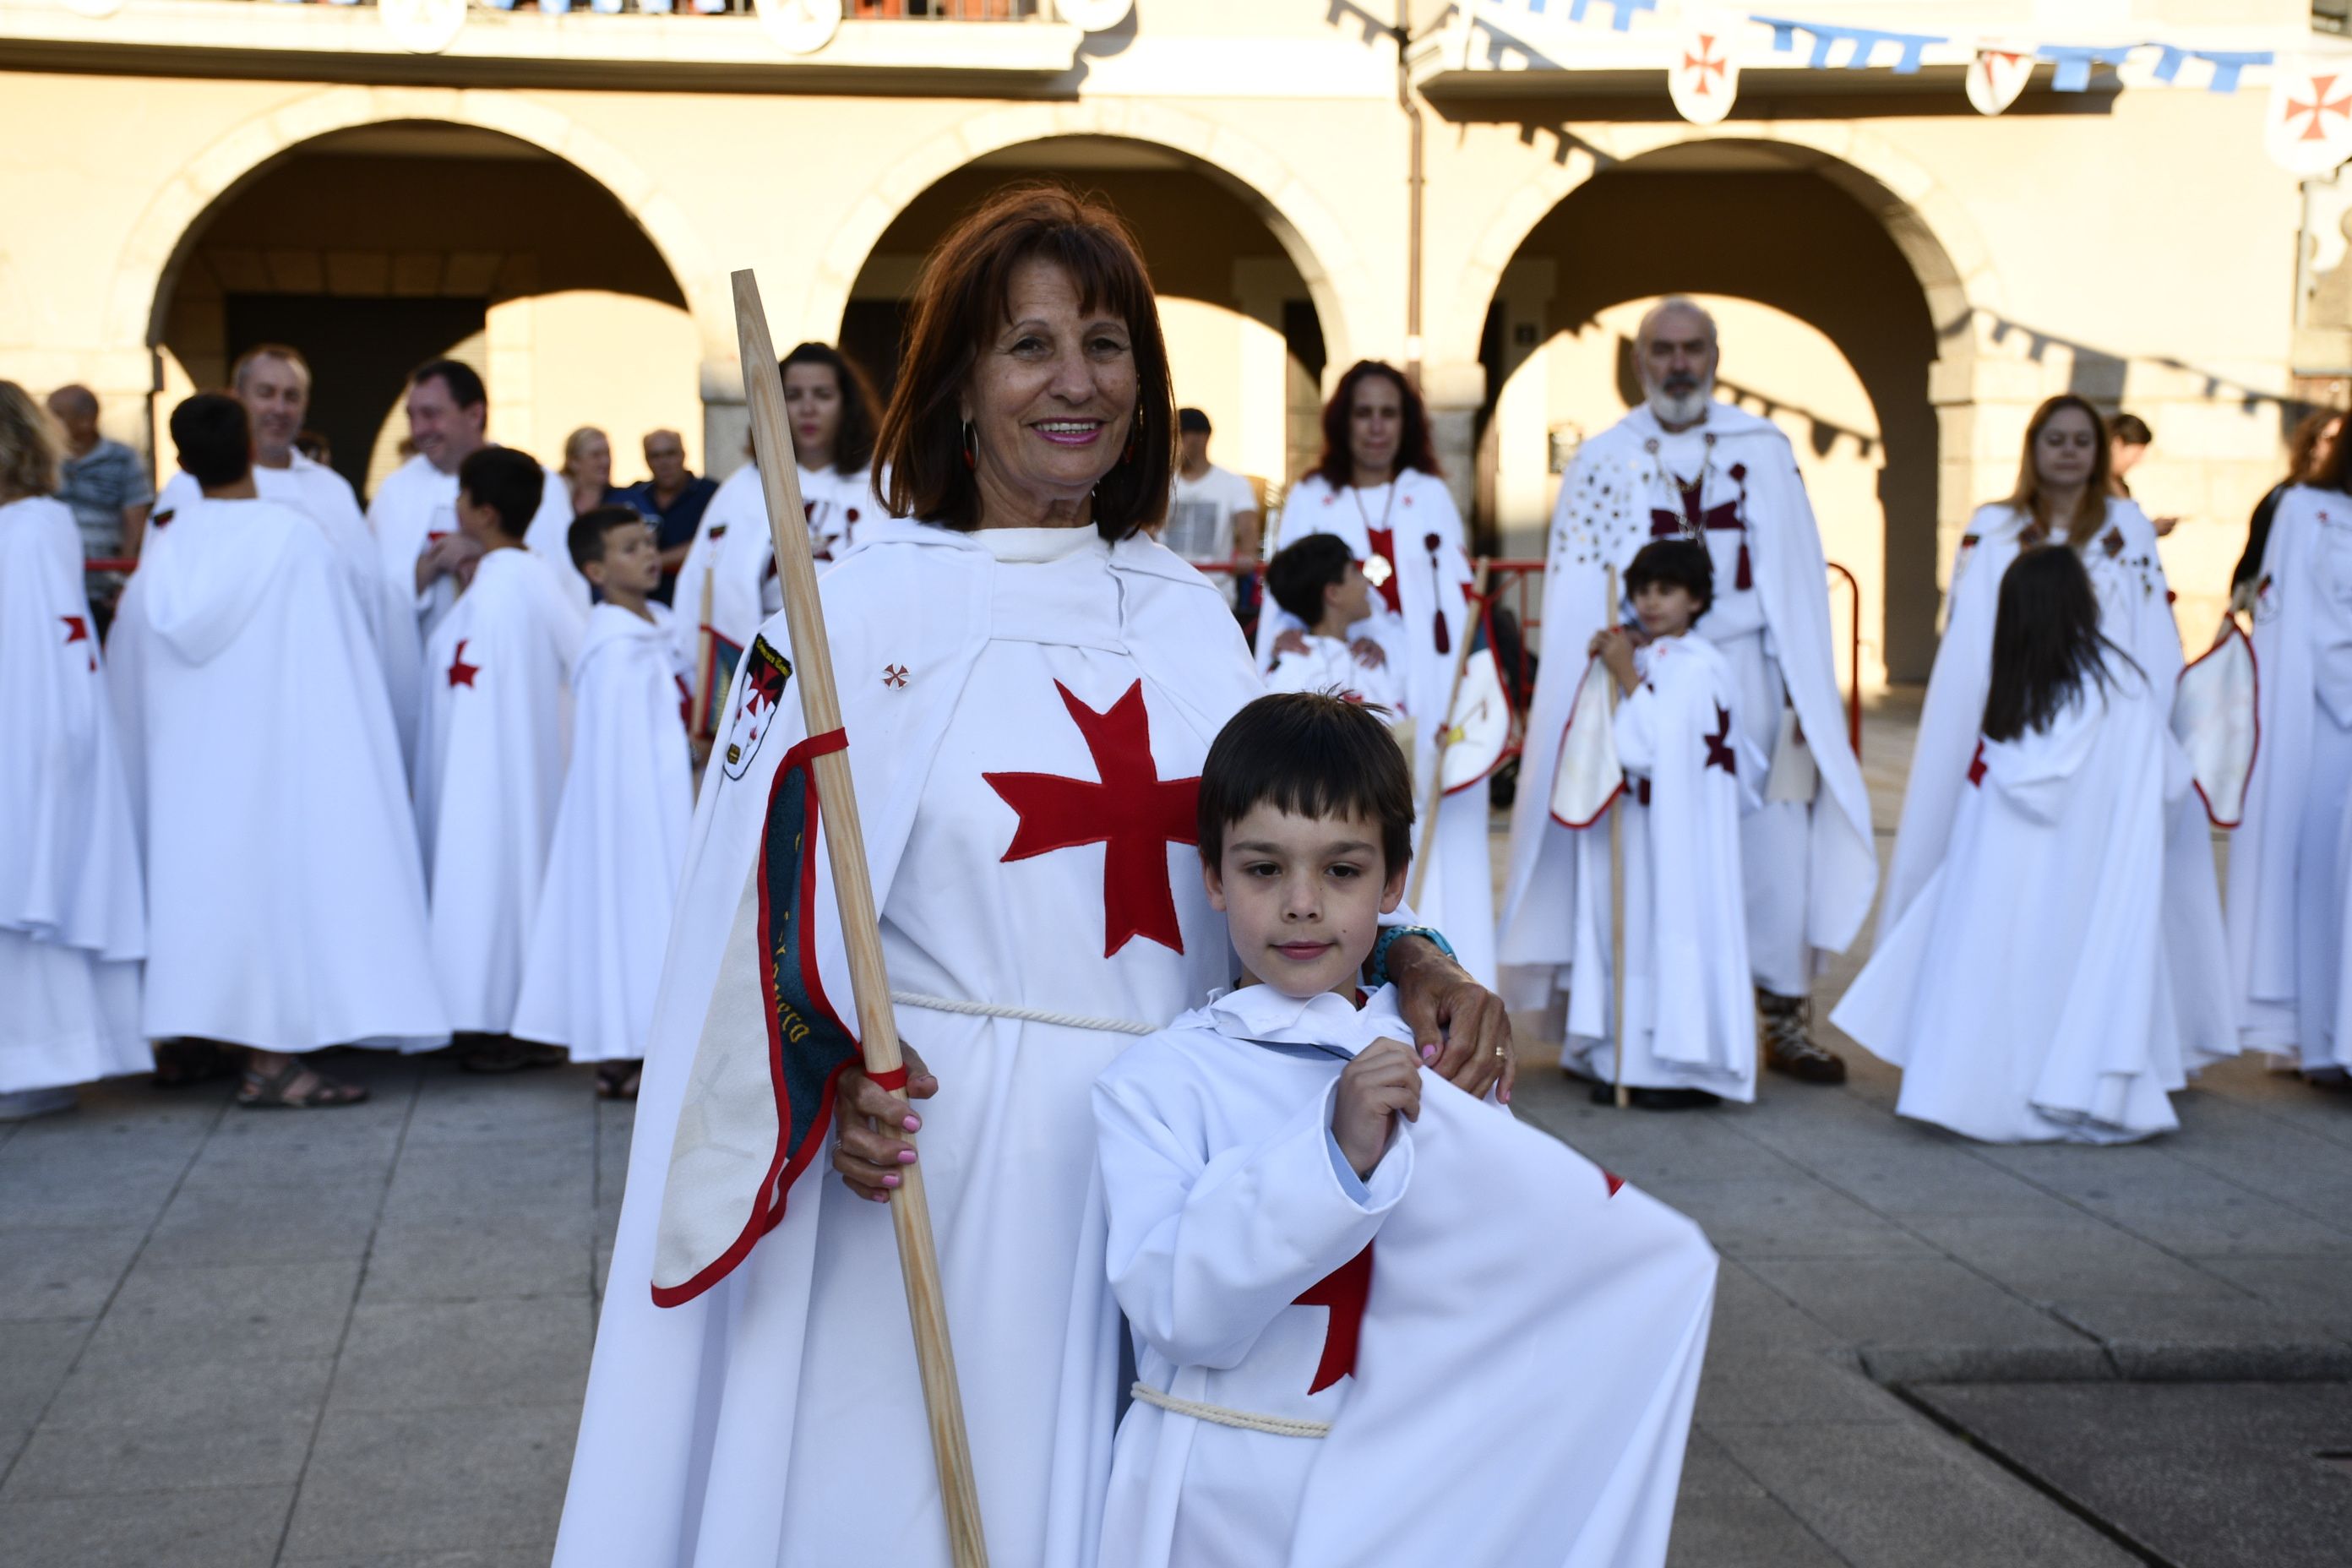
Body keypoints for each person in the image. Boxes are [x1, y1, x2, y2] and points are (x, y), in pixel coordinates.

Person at [553, 183, 1511, 1568]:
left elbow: (1277, 859)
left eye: (1107, 344)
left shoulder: (1195, 624)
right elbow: (739, 937)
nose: (1076, 382)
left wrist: (1405, 954)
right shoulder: (848, 615)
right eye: (1029, 345)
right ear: (954, 384)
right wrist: (826, 1081)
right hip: (941, 1184)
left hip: (1178, 1167)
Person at [1094, 691, 1715, 1568]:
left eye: (1342, 871)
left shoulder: (1442, 1060)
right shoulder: (1157, 1080)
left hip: (1414, 1496)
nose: (1302, 904)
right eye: (1263, 869)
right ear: (1211, 875)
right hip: (1218, 1495)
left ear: (1393, 885)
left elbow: (1498, 1278)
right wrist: (1333, 1155)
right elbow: (1177, 1310)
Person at [1499, 297, 1876, 1084]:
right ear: (1640, 364)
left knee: (1773, 854)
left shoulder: (1764, 449)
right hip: (1645, 678)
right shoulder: (1604, 457)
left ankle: (1781, 1018)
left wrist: (1803, 688)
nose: (1678, 364)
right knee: (1642, 848)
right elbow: (1580, 587)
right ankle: (1621, 1015)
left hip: (1750, 679)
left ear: (1715, 355)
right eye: (1662, 351)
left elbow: (1800, 580)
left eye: (1692, 349)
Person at [125, 394, 446, 1107]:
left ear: (180, 463)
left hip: (191, 768)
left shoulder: (167, 548)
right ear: (251, 452)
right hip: (276, 758)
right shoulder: (293, 538)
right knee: (274, 894)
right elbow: (339, 662)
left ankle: (203, 1037)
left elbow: (137, 667)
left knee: (205, 893)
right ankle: (269, 1062)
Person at [1838, 547, 2220, 1140]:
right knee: (2073, 975)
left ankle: (1971, 1094)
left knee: (1999, 970)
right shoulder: (2121, 686)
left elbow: (2003, 784)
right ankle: (2075, 1085)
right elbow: (2170, 783)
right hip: (2090, 876)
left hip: (2002, 874)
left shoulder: (2015, 689)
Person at [1256, 360, 1494, 985]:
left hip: (1424, 696)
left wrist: (1458, 697)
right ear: (1343, 420)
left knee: (1437, 854)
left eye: (1389, 412)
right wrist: (1286, 642)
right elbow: (1287, 594)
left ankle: (1449, 993)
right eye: (1364, 413)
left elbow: (1452, 609)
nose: (1376, 427)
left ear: (1407, 421)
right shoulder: (1312, 496)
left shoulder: (1430, 497)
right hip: (1337, 693)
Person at [509, 508, 694, 1102]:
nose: (646, 554)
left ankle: (655, 1041)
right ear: (594, 570)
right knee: (637, 910)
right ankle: (633, 1042)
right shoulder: (613, 647)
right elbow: (622, 755)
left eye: (648, 542)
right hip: (634, 816)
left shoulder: (662, 626)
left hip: (675, 799)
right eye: (628, 548)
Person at [412, 446, 585, 1075]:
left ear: (482, 512)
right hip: (474, 773)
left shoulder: (529, 578)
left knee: (508, 881)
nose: (453, 507)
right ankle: (482, 1014)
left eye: (460, 496)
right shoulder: (495, 577)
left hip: (514, 776)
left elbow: (583, 653)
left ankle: (522, 1022)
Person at [1570, 539, 1760, 1110]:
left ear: (1696, 598)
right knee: (1637, 931)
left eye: (1666, 591)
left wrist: (1624, 674)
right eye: (1642, 591)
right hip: (1647, 821)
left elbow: (1649, 746)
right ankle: (1629, 1060)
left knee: (1671, 928)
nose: (1651, 602)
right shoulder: (1657, 658)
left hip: (1680, 830)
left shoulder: (1697, 668)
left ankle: (1678, 1070)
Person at [149, 346, 420, 741]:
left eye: (291, 397)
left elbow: (369, 599)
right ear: (238, 398)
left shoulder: (332, 491)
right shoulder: (189, 491)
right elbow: (164, 599)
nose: (279, 408)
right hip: (227, 700)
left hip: (319, 695)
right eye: (266, 393)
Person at [0, 381, 144, 1119]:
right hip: (29, 728)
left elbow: (42, 646)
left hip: (26, 736)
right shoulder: (34, 526)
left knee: (29, 892)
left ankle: (32, 1060)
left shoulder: (31, 527)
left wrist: (48, 750)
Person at [2226, 428, 2352, 1087]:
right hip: (2330, 722)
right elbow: (2304, 619)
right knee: (2322, 877)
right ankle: (2318, 1037)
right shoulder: (2309, 509)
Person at [671, 341, 890, 696]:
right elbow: (704, 586)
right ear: (771, 403)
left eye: (822, 395)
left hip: (861, 668)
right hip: (767, 675)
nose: (808, 409)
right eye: (792, 395)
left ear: (846, 404)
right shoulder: (742, 490)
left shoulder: (885, 485)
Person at [366, 359, 587, 664]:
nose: (417, 430)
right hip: (428, 676)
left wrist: (489, 553)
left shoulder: (534, 481)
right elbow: (371, 595)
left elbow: (559, 580)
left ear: (474, 414)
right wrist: (427, 568)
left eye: (430, 415)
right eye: (411, 416)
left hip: (512, 665)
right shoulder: (394, 493)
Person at [45, 384, 152, 628]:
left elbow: (135, 518)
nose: (48, 422)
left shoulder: (123, 458)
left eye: (57, 414)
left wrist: (124, 580)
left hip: (104, 588)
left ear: (86, 420)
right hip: (54, 584)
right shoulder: (44, 459)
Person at [1260, 532, 1401, 711]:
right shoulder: (1294, 668)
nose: (1366, 581)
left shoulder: (1367, 657)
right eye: (1355, 572)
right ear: (1333, 593)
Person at [2233, 407, 2341, 599]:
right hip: (2287, 598)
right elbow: (2260, 550)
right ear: (2312, 445)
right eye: (2331, 439)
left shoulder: (2343, 498)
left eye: (2343, 442)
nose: (2337, 448)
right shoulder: (2289, 496)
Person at [618, 427, 717, 605]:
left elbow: (713, 544)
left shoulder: (710, 493)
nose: (664, 463)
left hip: (695, 602)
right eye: (655, 456)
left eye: (670, 454)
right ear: (646, 460)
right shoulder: (634, 496)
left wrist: (654, 561)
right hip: (644, 605)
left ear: (683, 455)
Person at [1162, 404, 1261, 577]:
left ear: (1203, 438)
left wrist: (1247, 554)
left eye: (1179, 436)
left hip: (1216, 587)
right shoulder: (1160, 483)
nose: (1173, 443)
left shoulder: (1234, 484)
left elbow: (1248, 526)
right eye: (1171, 436)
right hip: (1166, 585)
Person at [2106, 411, 2178, 536]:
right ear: (2117, 444)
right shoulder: (2092, 488)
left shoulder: (2118, 485)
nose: (2138, 461)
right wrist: (2148, 530)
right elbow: (2103, 543)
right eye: (2136, 454)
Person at [560, 426, 628, 519]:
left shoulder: (625, 501)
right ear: (574, 462)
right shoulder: (557, 500)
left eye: (607, 454)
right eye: (596, 455)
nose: (605, 461)